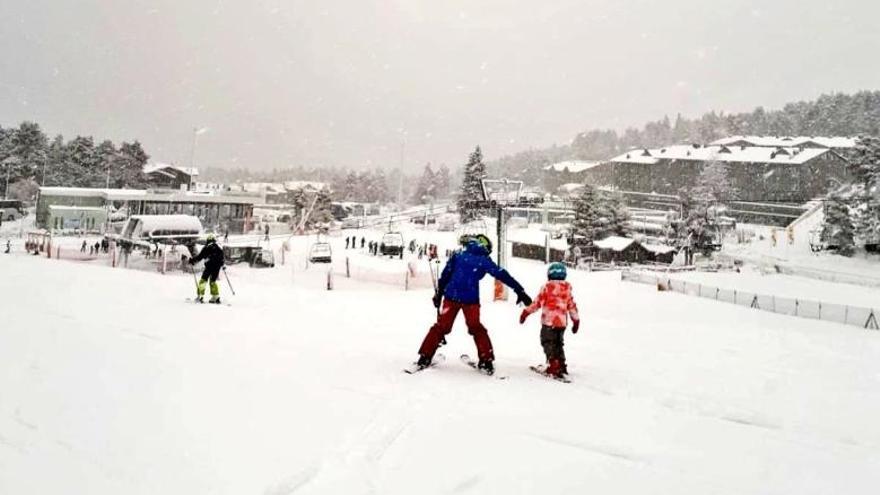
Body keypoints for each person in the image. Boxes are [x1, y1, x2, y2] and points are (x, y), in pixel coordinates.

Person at [415, 234, 532, 375]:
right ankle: (486, 360)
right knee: (476, 328)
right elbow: (502, 274)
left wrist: (439, 294)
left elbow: (445, 275)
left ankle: (425, 356)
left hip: (451, 296)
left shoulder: (458, 255)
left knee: (441, 327)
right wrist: (519, 290)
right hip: (471, 299)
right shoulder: (483, 259)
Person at [519, 262, 580, 378]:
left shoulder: (547, 287)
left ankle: (554, 365)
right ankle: (561, 364)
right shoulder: (566, 289)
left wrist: (525, 313)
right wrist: (576, 321)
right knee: (558, 343)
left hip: (549, 322)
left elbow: (537, 303)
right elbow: (572, 306)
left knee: (548, 342)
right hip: (561, 323)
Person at [188, 234, 226, 304]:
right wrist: (223, 265)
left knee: (203, 280)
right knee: (213, 281)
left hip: (209, 266)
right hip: (216, 267)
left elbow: (199, 257)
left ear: (208, 240)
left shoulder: (206, 247)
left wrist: (192, 261)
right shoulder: (218, 248)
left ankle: (200, 296)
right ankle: (215, 297)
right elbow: (222, 258)